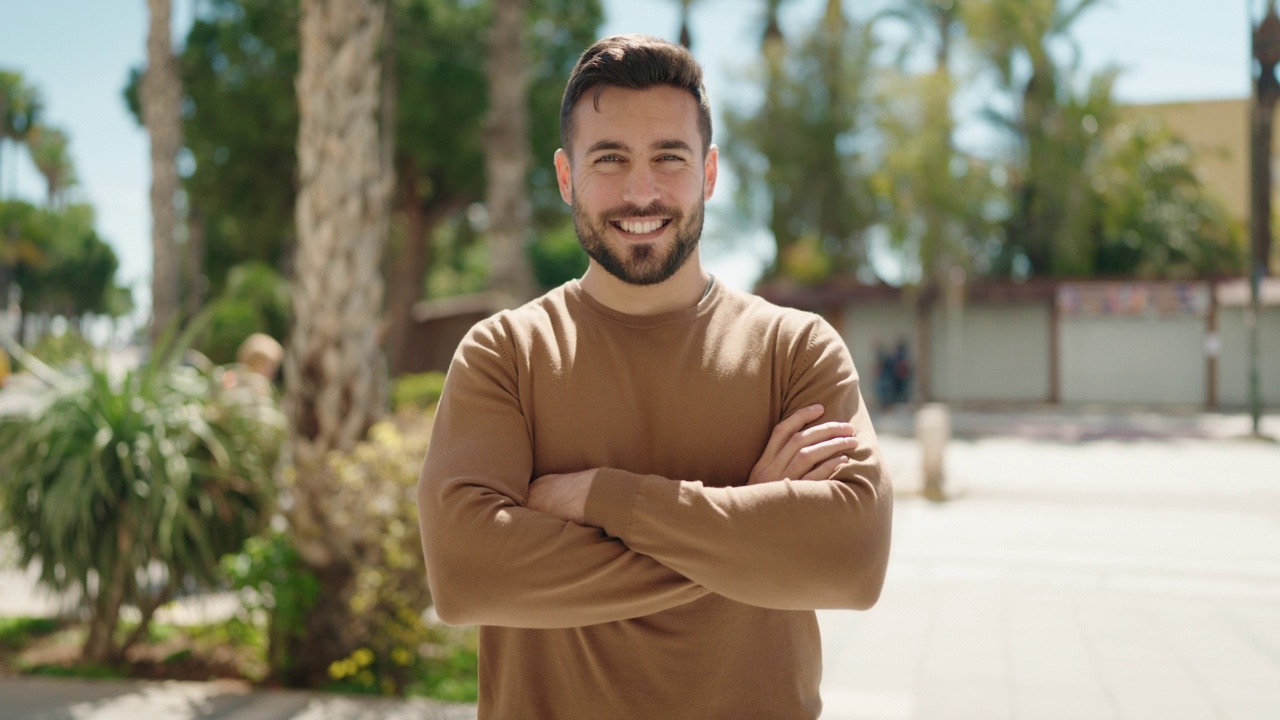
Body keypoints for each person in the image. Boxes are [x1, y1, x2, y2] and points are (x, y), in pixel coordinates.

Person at [417, 34, 892, 720]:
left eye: (669, 157)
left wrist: (606, 499)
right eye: (609, 159)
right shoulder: (506, 354)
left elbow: (850, 561)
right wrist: (747, 524)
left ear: (708, 173)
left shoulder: (796, 349)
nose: (641, 192)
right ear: (564, 176)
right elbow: (466, 578)